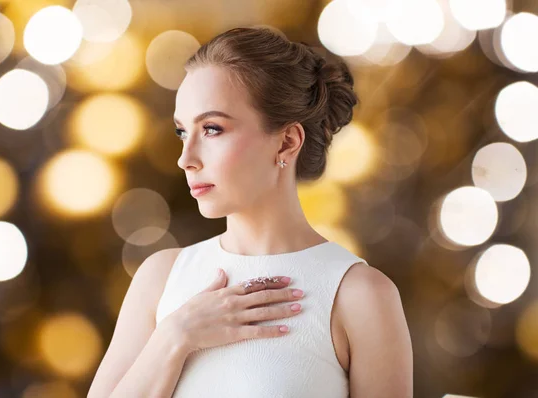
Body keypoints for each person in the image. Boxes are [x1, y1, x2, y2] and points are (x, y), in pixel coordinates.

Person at [88, 26, 413, 398]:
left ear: (287, 141)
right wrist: (175, 336)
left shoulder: (360, 296)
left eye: (211, 129)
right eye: (182, 132)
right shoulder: (161, 279)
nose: (185, 159)